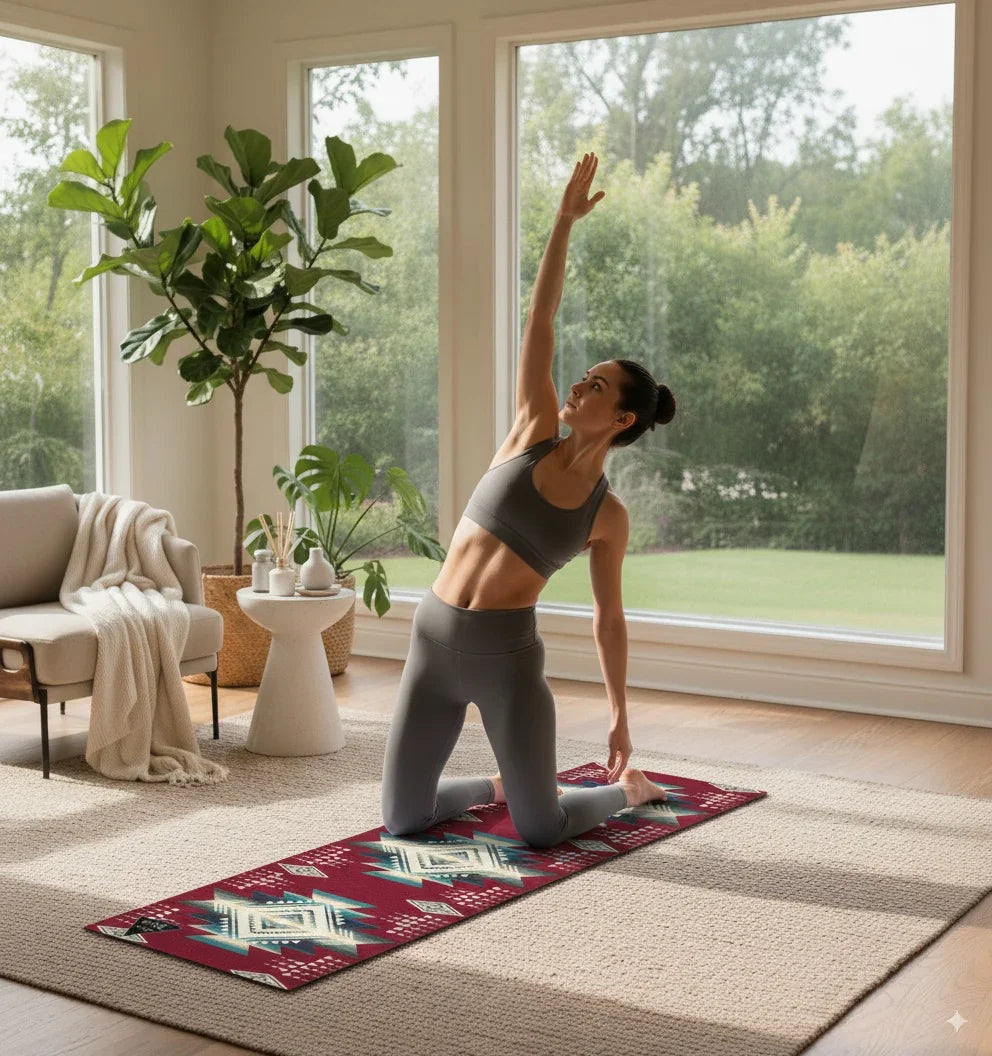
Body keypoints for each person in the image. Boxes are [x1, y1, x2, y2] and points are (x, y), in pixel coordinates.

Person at [380, 152, 677, 849]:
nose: (579, 387)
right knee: (403, 819)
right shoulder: (531, 429)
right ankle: (498, 787)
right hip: (432, 638)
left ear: (624, 419)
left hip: (506, 660)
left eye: (597, 387)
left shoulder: (607, 515)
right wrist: (562, 224)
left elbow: (609, 620)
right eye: (584, 377)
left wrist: (618, 712)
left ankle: (626, 792)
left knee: (542, 830)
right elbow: (541, 317)